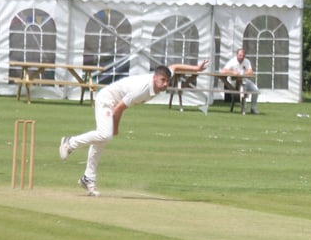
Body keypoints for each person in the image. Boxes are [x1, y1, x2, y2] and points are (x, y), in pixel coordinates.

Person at [59, 60, 208, 196]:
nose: (165, 84)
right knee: (105, 135)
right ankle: (70, 142)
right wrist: (116, 127)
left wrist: (196, 68)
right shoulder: (142, 89)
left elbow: (174, 66)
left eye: (167, 81)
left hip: (113, 102)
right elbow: (119, 108)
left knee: (101, 140)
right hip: (107, 100)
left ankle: (88, 178)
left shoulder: (162, 75)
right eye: (163, 80)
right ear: (155, 77)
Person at [221, 48, 260, 114]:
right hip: (233, 81)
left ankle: (253, 108)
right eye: (240, 55)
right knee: (242, 89)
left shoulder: (246, 61)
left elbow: (250, 72)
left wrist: (243, 73)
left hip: (244, 80)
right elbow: (223, 71)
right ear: (237, 55)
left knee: (256, 90)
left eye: (243, 56)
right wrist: (232, 72)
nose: (241, 57)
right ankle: (243, 109)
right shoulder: (232, 61)